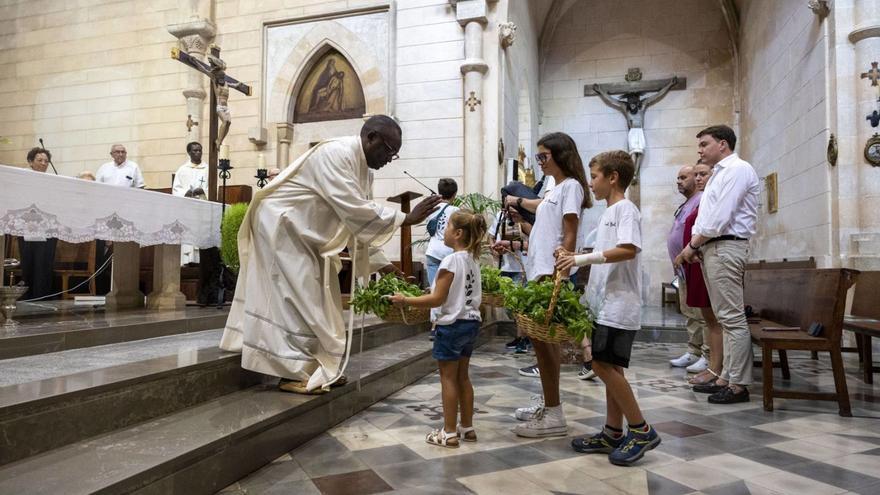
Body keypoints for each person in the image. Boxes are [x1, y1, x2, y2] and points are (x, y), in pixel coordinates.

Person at [219, 115, 442, 394]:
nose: (389, 158)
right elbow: (354, 209)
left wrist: (383, 266)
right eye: (388, 149)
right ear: (370, 137)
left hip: (306, 234)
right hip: (282, 226)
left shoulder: (365, 171)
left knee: (316, 299)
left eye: (394, 154)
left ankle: (313, 365)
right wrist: (405, 218)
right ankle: (292, 372)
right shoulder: (336, 153)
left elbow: (356, 221)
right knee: (297, 297)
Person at [557, 150, 660, 466]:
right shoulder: (608, 212)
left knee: (601, 366)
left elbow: (628, 249)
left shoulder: (625, 209)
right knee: (610, 367)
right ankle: (613, 431)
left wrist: (581, 258)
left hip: (619, 304)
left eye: (595, 176)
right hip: (604, 303)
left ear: (613, 177)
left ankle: (641, 430)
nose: (590, 183)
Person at [508, 132, 591, 438]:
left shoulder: (570, 187)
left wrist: (562, 273)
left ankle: (555, 413)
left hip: (552, 273)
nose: (539, 162)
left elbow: (569, 232)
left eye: (543, 156)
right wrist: (518, 230)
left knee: (546, 344)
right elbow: (545, 232)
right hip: (540, 269)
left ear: (560, 155)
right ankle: (549, 403)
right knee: (541, 343)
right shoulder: (556, 188)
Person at [390, 210, 487, 448]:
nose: (442, 232)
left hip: (452, 325)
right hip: (471, 322)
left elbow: (437, 299)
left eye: (446, 227)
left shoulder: (451, 260)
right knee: (463, 377)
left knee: (448, 379)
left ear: (457, 233)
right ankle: (468, 427)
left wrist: (405, 300)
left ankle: (449, 432)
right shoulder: (472, 261)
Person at [679, 125, 760, 404]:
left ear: (722, 144)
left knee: (732, 318)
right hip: (714, 247)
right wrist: (696, 245)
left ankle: (739, 384)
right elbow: (706, 217)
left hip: (726, 245)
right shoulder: (719, 175)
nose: (699, 150)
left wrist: (692, 245)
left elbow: (719, 218)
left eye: (704, 144)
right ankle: (725, 376)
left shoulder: (738, 169)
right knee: (724, 318)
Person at [674, 162, 723, 387]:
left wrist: (689, 250)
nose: (698, 178)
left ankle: (711, 361)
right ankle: (699, 353)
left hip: (700, 260)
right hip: (689, 263)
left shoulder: (706, 199)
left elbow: (707, 229)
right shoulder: (691, 203)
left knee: (708, 317)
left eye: (702, 174)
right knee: (692, 311)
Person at [667, 164, 710, 373]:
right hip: (683, 268)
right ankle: (694, 351)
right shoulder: (686, 203)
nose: (679, 181)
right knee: (689, 312)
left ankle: (707, 353)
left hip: (695, 265)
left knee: (702, 313)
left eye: (684, 177)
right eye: (678, 178)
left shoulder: (702, 199)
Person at [18, 147, 57, 300]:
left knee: (44, 262)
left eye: (46, 161)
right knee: (28, 261)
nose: (43, 163)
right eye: (39, 160)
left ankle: (42, 296)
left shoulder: (52, 181)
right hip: (27, 225)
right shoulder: (22, 178)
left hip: (47, 227)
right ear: (30, 162)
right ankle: (28, 295)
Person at [489, 211, 530, 354]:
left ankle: (522, 338)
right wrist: (494, 249)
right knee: (509, 307)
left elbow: (533, 241)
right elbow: (491, 236)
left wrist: (514, 245)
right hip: (504, 266)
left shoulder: (525, 216)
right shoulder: (500, 215)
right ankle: (521, 336)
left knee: (519, 305)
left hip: (521, 267)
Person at [172, 142, 208, 265]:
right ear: (189, 153)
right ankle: (187, 259)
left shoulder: (208, 169)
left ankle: (201, 260)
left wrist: (203, 191)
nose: (198, 153)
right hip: (187, 208)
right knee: (188, 234)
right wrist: (185, 193)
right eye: (195, 151)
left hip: (202, 208)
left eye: (200, 150)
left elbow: (213, 187)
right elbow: (176, 189)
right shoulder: (182, 170)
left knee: (200, 233)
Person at [424, 178, 460, 285]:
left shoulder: (431, 209)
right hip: (449, 253)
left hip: (432, 251)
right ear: (454, 194)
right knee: (448, 291)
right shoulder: (456, 211)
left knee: (434, 289)